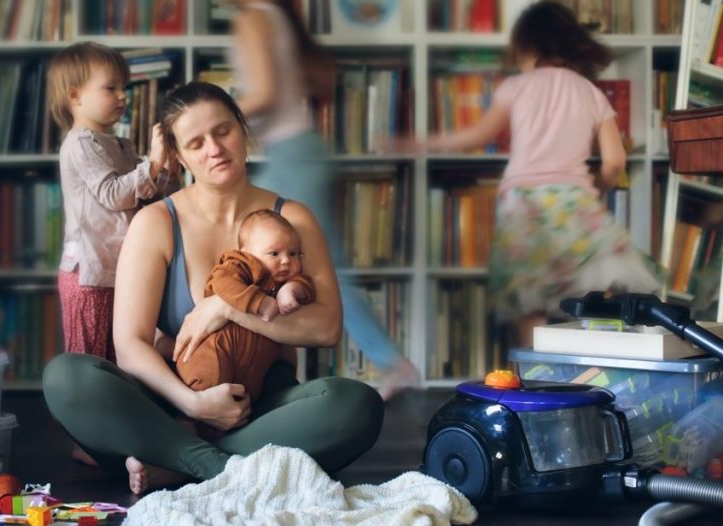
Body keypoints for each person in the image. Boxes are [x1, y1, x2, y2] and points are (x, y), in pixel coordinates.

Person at [43, 82, 385, 495]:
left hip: (261, 410)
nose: (214, 149)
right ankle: (222, 464)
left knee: (356, 405)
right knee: (67, 377)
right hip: (171, 407)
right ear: (179, 154)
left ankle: (177, 463)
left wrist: (226, 308)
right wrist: (193, 404)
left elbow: (326, 327)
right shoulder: (155, 222)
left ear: (242, 129)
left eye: (223, 131)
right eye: (196, 142)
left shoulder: (292, 217)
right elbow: (130, 342)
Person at [390, 1, 661, 346]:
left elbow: (475, 137)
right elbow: (615, 162)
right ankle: (594, 376)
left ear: (529, 47)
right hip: (574, 204)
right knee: (594, 298)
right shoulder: (591, 93)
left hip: (524, 208)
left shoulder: (516, 87)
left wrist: (418, 143)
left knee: (529, 303)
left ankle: (535, 384)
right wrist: (598, 187)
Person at [226, 0, 420, 398]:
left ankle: (389, 363)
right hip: (302, 150)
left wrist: (213, 114)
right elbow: (318, 82)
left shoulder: (253, 18)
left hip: (291, 154)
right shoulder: (279, 17)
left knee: (305, 264)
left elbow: (262, 93)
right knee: (300, 263)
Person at [47, 41, 176, 463]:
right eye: (111, 88)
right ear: (75, 96)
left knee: (122, 357)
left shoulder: (117, 145)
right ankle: (88, 442)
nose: (123, 97)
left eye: (125, 88)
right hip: (90, 272)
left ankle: (118, 434)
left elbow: (146, 196)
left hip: (121, 270)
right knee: (89, 364)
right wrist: (152, 167)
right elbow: (113, 194)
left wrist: (164, 170)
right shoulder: (81, 143)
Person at [175, 209, 316, 437]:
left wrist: (292, 290)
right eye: (274, 253)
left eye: (293, 254)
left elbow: (307, 286)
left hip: (250, 375)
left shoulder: (283, 280)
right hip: (214, 354)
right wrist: (258, 302)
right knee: (208, 384)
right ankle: (186, 427)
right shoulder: (240, 266)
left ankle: (219, 446)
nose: (285, 261)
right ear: (247, 252)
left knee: (242, 411)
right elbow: (222, 282)